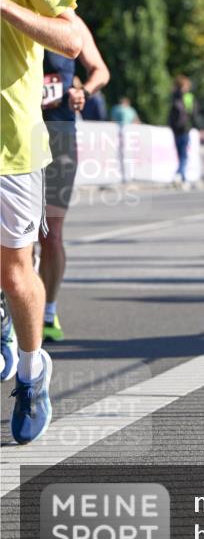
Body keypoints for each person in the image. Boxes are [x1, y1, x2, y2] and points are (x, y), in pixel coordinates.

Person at [0, 0, 82, 444]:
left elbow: (71, 40)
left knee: (13, 268)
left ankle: (31, 372)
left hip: (10, 142)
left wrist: (3, 5)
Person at [39, 20, 110, 341]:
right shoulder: (10, 7)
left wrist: (84, 91)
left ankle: (47, 313)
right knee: (15, 237)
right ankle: (14, 314)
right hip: (11, 135)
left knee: (51, 235)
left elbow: (99, 69)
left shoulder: (68, 17)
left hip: (58, 135)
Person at [168, 74, 202, 186]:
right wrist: (199, 127)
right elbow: (193, 114)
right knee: (184, 155)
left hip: (175, 129)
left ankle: (182, 178)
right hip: (184, 128)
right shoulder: (188, 97)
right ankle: (179, 174)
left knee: (180, 154)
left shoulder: (172, 96)